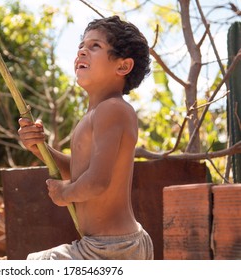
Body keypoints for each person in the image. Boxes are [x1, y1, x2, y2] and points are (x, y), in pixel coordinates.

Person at [18, 15, 153, 260]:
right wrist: (41, 149)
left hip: (112, 248)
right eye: (81, 45)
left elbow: (97, 181)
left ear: (122, 66)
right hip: (110, 245)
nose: (81, 51)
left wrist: (64, 194)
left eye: (95, 46)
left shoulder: (112, 109)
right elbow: (82, 172)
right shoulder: (96, 114)